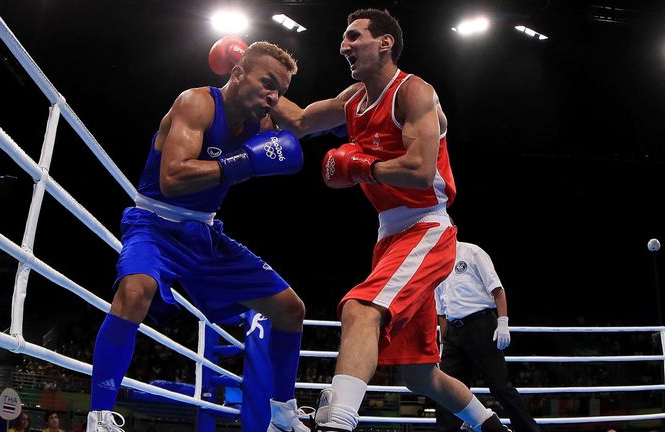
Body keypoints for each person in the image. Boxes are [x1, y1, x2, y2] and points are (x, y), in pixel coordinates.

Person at [271, 8, 512, 432]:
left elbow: (420, 170)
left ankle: (337, 424)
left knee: (360, 310)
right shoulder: (352, 100)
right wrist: (255, 83)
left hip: (427, 227)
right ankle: (492, 427)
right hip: (389, 235)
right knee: (420, 374)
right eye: (344, 39)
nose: (344, 46)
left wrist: (362, 166)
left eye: (354, 36)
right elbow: (302, 121)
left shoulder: (414, 92)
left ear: (385, 43)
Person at [87, 41, 310, 432]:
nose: (274, 97)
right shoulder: (197, 103)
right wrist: (243, 163)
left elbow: (307, 124)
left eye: (282, 91)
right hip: (155, 223)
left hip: (205, 233)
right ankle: (100, 416)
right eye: (268, 83)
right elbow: (171, 180)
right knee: (135, 291)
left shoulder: (263, 121)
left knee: (290, 309)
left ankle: (281, 413)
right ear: (237, 73)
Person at [435, 239, 540, 432]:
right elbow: (441, 312)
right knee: (446, 390)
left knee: (499, 386)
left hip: (481, 325)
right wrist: (443, 342)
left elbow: (497, 289)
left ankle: (529, 430)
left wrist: (503, 322)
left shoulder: (472, 252)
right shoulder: (435, 263)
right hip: (453, 334)